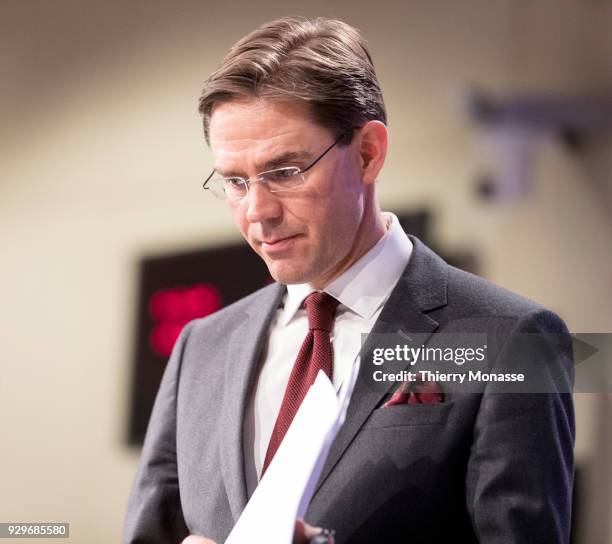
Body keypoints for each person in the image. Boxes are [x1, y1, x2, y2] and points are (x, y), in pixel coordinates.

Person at [122, 16, 574, 544]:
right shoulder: (201, 347)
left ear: (367, 153)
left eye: (286, 172)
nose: (257, 211)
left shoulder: (514, 341)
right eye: (235, 182)